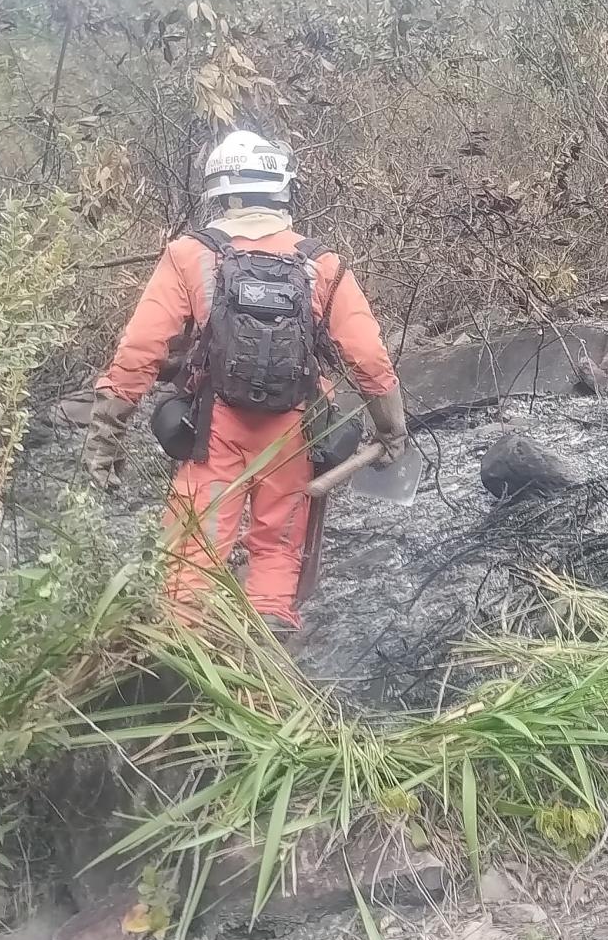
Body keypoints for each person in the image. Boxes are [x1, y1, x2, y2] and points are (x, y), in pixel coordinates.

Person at [83, 130, 406, 630]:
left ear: (220, 192)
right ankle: (270, 653)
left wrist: (108, 436)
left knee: (193, 557)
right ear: (282, 191)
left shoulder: (189, 255)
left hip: (212, 429)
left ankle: (187, 652)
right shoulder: (322, 263)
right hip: (295, 430)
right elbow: (366, 354)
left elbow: (140, 349)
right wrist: (391, 427)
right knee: (277, 548)